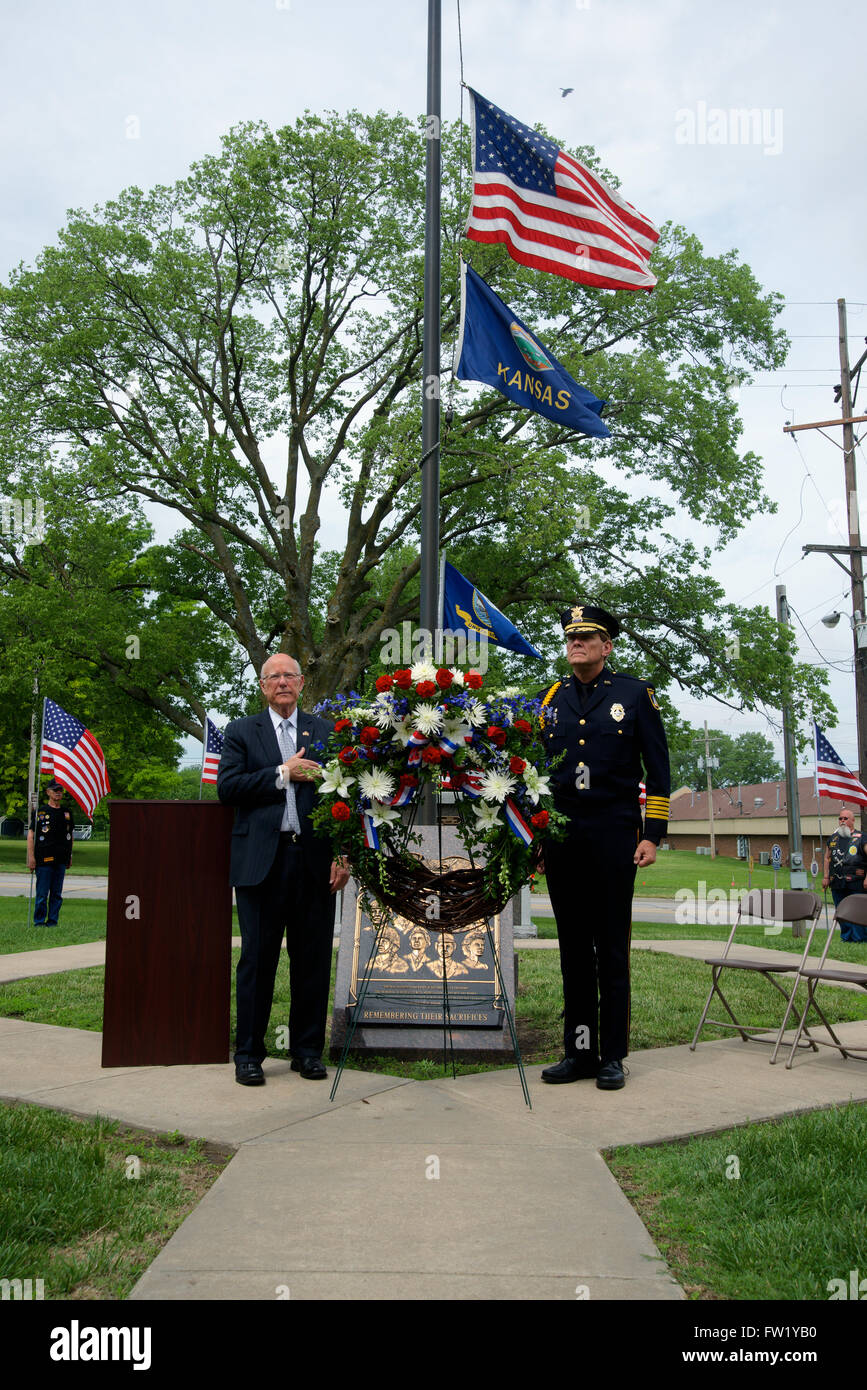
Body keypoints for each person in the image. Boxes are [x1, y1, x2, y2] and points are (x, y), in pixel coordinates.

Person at [538, 604, 670, 1090]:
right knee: (572, 948)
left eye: (587, 637)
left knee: (610, 947)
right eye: (571, 637)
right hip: (562, 838)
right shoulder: (548, 698)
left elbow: (658, 770)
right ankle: (578, 1052)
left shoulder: (636, 695)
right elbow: (532, 771)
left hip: (615, 835)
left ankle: (612, 1056)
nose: (577, 643)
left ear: (607, 645)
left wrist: (652, 835)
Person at [217, 655, 350, 1085]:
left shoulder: (328, 733)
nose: (282, 683)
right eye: (273, 677)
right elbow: (228, 788)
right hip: (261, 865)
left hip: (314, 863)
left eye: (289, 676)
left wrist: (343, 854)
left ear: (302, 682)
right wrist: (282, 772)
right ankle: (249, 1054)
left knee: (311, 960)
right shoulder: (240, 732)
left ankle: (307, 1050)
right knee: (258, 960)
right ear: (262, 686)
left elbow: (344, 799)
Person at [27, 780, 74, 927]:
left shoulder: (67, 813)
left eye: (60, 790)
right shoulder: (41, 812)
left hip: (61, 859)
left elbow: (70, 835)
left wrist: (70, 855)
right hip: (43, 859)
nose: (58, 792)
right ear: (48, 792)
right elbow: (31, 835)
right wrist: (31, 857)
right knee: (42, 895)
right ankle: (39, 922)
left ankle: (53, 921)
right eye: (55, 790)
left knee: (56, 894)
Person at [822, 808, 867, 943]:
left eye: (845, 818)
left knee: (857, 910)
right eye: (840, 818)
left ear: (853, 820)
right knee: (841, 910)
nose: (842, 821)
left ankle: (860, 939)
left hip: (856, 881)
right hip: (837, 882)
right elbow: (827, 858)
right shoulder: (833, 838)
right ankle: (846, 937)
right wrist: (825, 877)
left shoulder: (862, 837)